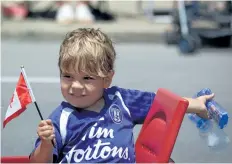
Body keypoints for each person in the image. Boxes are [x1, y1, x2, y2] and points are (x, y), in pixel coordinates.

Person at [29, 28, 214, 163]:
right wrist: (46, 143)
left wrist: (197, 105)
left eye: (87, 78)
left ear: (107, 80)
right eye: (67, 76)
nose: (76, 86)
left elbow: (165, 105)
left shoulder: (122, 101)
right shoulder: (60, 119)